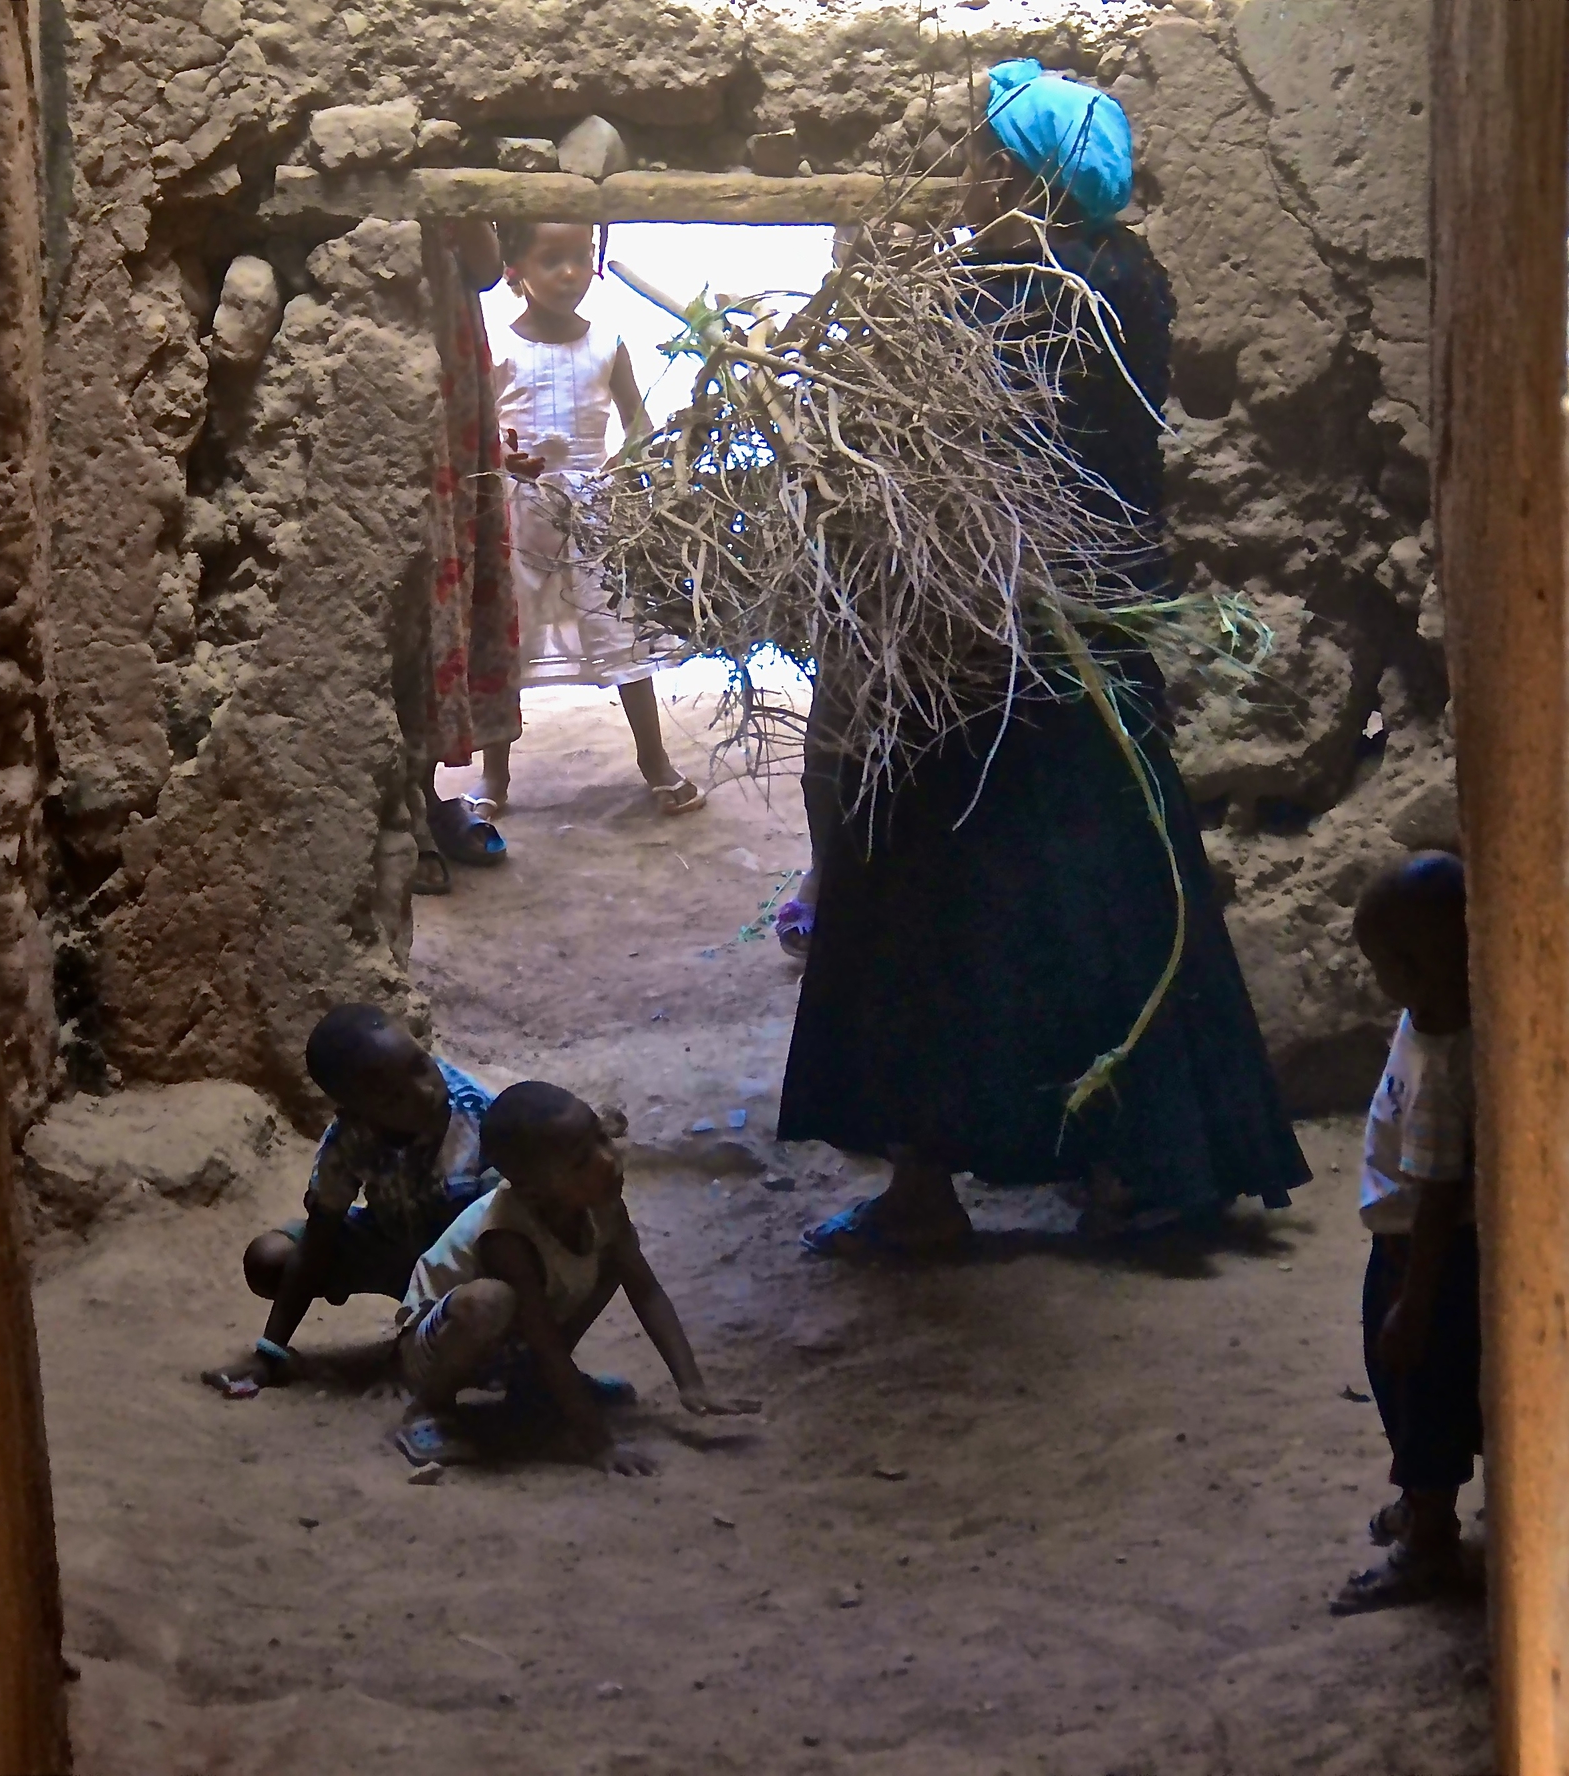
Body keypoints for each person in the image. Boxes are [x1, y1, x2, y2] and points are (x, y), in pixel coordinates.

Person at [781, 61, 1309, 1255]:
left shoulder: (1003, 284)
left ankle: (924, 1188)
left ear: (1024, 177)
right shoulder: (1133, 276)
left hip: (981, 641)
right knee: (1108, 882)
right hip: (1095, 626)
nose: (965, 180)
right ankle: (1146, 1164)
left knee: (917, 898)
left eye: (981, 159)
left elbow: (925, 451)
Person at [391, 1081, 759, 1469]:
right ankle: (425, 1410)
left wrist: (690, 1383)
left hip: (504, 1340)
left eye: (601, 1138)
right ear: (533, 1192)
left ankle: (535, 1387)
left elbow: (645, 1289)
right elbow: (544, 1339)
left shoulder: (601, 1204)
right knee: (491, 1300)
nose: (607, 1160)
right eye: (581, 1161)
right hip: (435, 1346)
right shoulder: (506, 1237)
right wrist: (598, 1444)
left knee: (616, 1258)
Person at [478, 221, 704, 820]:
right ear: (514, 267)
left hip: (597, 515)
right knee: (508, 639)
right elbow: (475, 430)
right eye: (552, 258)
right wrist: (503, 457)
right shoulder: (497, 347)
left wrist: (628, 472)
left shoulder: (608, 344)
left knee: (618, 630)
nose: (569, 273)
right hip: (518, 518)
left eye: (581, 257)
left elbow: (639, 428)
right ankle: (493, 777)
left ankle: (653, 760)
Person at [202, 1004, 497, 1396]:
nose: (423, 1091)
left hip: (465, 1259)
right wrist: (269, 1352)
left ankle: (480, 1344)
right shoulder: (349, 1140)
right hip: (397, 1249)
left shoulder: (479, 1114)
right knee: (271, 1258)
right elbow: (319, 1240)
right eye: (392, 1098)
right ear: (356, 1112)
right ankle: (426, 1329)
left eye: (420, 1066)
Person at [1331, 852, 1480, 1614]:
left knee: (1422, 1388)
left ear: (1411, 966)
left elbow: (1438, 1194)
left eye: (1382, 963)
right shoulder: (1430, 1018)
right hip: (1406, 1246)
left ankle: (1429, 1540)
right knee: (1404, 1386)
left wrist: (1413, 1301)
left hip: (1424, 1257)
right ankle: (1419, 1505)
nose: (1377, 978)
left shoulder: (1441, 1076)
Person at [406, 218, 547, 888]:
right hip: (396, 377)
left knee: (449, 582)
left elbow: (487, 266)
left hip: (454, 380)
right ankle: (402, 809)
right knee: (403, 581)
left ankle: (425, 798)